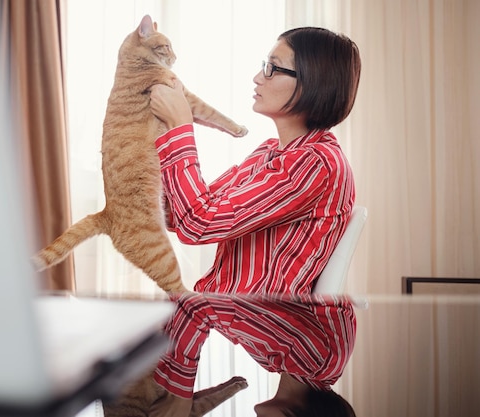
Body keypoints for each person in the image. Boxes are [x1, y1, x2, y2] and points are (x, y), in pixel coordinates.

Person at [147, 26, 361, 417]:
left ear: (311, 83)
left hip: (271, 311)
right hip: (245, 308)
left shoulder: (315, 164)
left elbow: (198, 223)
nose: (257, 77)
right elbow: (187, 215)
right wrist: (153, 136)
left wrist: (180, 129)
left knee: (180, 308)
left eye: (272, 68)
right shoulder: (270, 154)